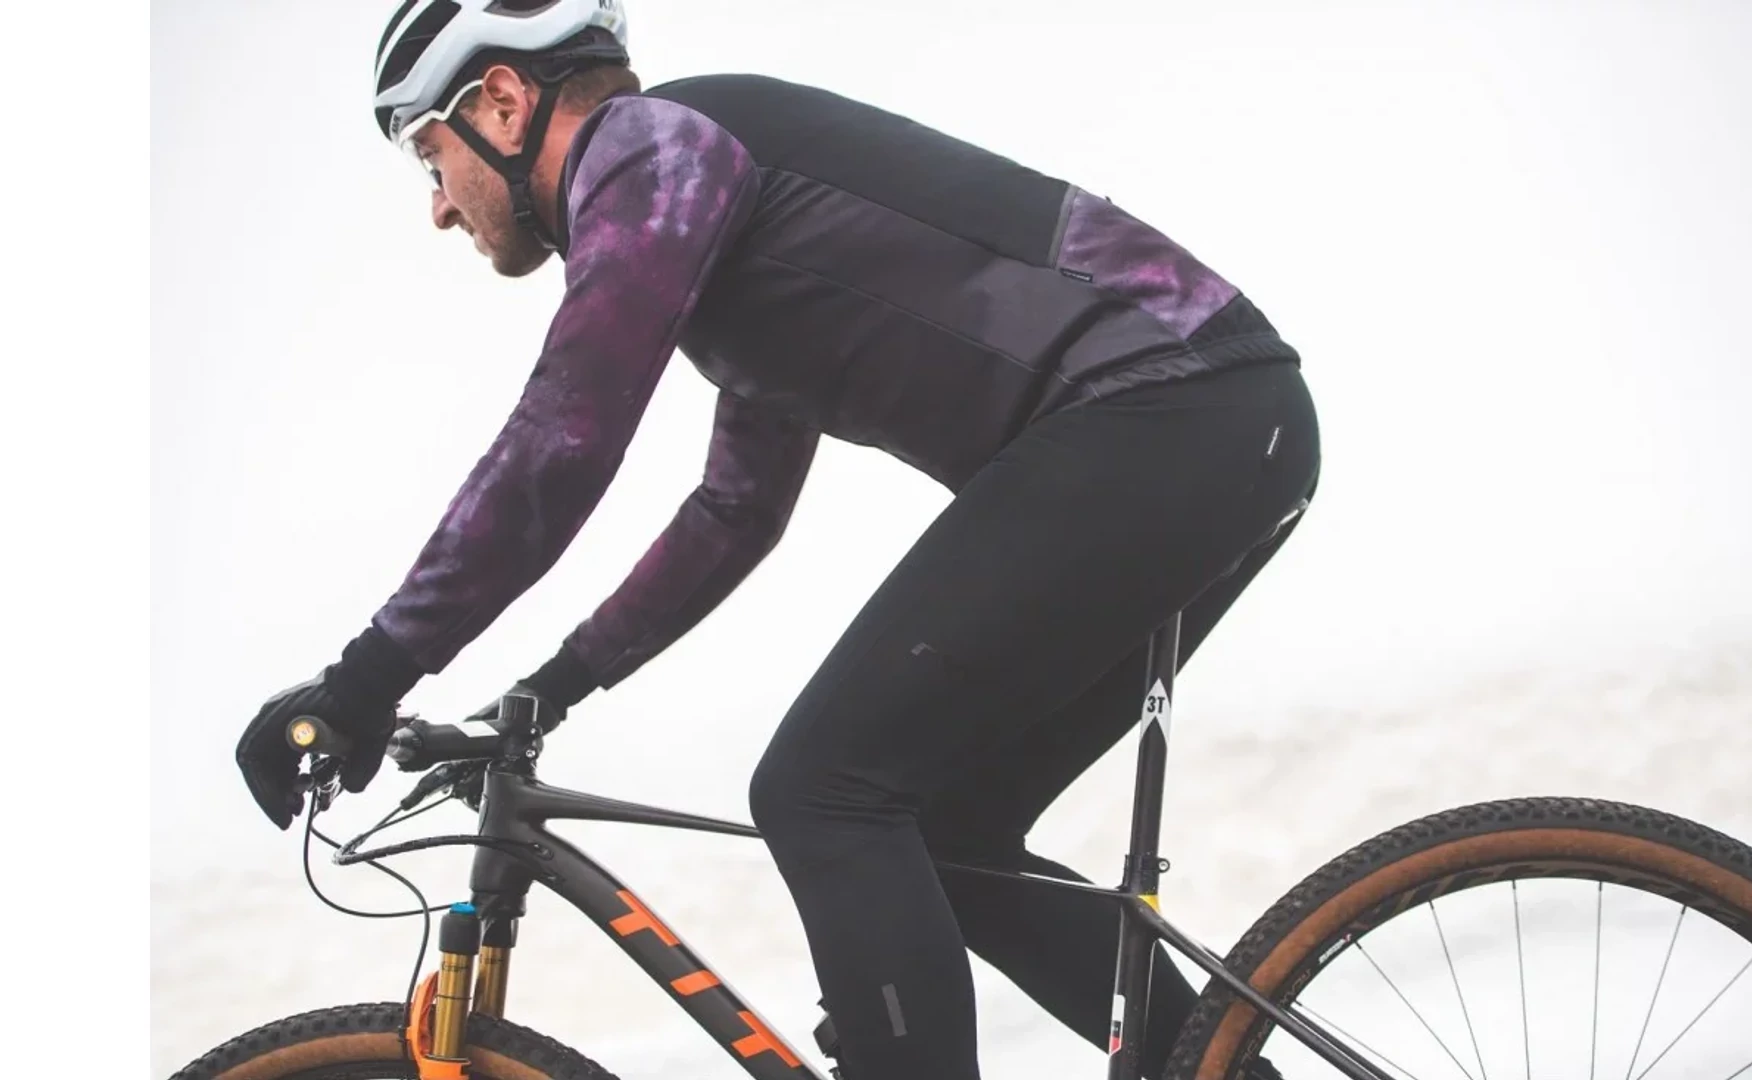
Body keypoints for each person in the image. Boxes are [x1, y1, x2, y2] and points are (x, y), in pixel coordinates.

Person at [233, 2, 1320, 1077]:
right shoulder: (707, 200)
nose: (438, 206)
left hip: (1167, 412)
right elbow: (735, 511)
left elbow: (563, 439)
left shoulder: (651, 154)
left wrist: (366, 679)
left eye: (431, 156)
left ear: (504, 103)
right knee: (950, 836)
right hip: (1215, 424)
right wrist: (554, 687)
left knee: (820, 789)